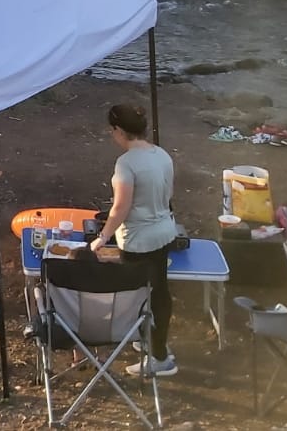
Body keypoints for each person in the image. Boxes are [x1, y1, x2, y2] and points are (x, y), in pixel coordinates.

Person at [87, 103, 178, 378]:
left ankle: (159, 357)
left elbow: (120, 208)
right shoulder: (161, 155)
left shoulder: (126, 163)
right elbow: (168, 194)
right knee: (160, 292)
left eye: (112, 130)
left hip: (138, 240)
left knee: (137, 296)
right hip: (165, 232)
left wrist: (103, 237)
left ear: (118, 130)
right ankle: (154, 342)